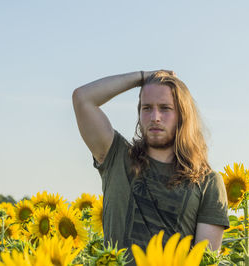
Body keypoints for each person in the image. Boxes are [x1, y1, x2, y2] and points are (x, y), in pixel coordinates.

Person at [72, 70, 229, 264]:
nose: (155, 117)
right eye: (147, 108)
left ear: (182, 115)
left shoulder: (207, 182)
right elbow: (82, 99)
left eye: (165, 108)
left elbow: (205, 261)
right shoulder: (117, 157)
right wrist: (141, 77)